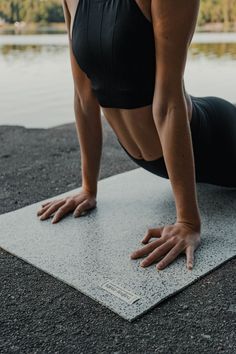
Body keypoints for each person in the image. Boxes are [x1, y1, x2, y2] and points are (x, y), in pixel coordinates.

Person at [37, 0, 236, 271]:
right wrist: (88, 188)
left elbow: (168, 103)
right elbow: (84, 98)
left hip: (217, 140)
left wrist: (187, 222)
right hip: (156, 159)